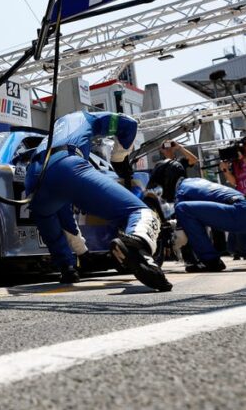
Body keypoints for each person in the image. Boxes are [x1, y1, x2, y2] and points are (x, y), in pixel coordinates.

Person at [24, 110, 172, 292]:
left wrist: (82, 253)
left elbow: (67, 225)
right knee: (141, 212)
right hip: (66, 164)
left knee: (51, 218)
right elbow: (129, 123)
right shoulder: (87, 117)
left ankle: (67, 269)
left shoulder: (53, 133)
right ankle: (137, 243)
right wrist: (119, 156)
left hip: (34, 179)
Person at [149, 160, 246, 272]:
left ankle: (210, 260)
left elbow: (183, 232)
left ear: (167, 177)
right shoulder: (194, 181)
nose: (162, 188)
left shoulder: (182, 191)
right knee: (238, 248)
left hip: (241, 213)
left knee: (183, 208)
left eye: (161, 183)